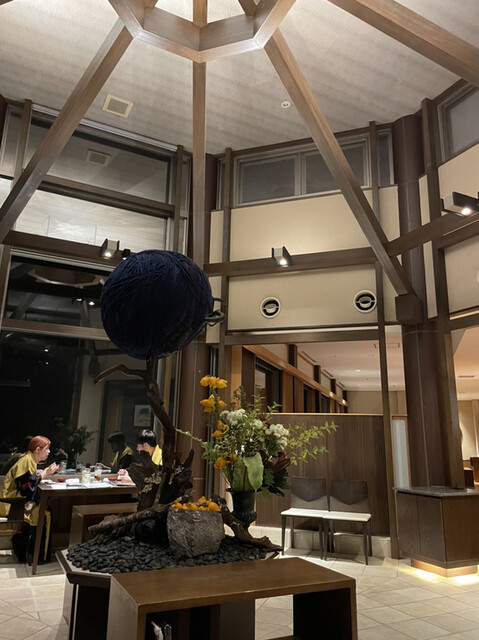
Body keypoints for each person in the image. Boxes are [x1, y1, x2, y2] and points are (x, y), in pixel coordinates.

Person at [0, 435, 59, 563]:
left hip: (15, 501)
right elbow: (26, 487)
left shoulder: (29, 459)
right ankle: (39, 556)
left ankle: (26, 548)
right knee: (44, 513)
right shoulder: (27, 461)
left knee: (41, 510)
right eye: (46, 449)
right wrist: (44, 474)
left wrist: (42, 476)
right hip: (12, 504)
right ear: (38, 449)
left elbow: (28, 484)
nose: (49, 452)